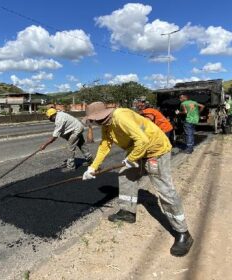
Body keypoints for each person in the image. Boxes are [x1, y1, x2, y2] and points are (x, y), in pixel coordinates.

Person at [82, 102, 193, 257]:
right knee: (126, 175)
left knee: (164, 190)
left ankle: (183, 233)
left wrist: (130, 159)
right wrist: (93, 167)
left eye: (95, 119)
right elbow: (105, 144)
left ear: (103, 114)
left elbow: (143, 140)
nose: (94, 122)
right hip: (137, 149)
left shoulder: (120, 117)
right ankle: (128, 212)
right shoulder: (106, 123)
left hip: (155, 150)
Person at [40, 108, 93, 172]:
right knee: (81, 145)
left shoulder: (59, 121)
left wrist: (44, 145)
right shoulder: (59, 114)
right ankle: (90, 160)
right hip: (78, 127)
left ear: (53, 116)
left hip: (76, 130)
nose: (49, 119)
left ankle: (71, 167)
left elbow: (54, 137)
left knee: (70, 147)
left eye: (49, 118)